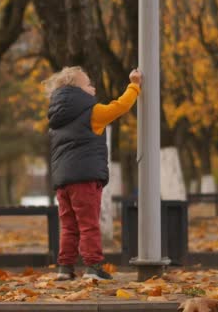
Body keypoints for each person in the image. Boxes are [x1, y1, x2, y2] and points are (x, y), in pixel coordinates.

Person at [44, 66, 141, 280]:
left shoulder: (56, 120)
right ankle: (93, 266)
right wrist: (134, 85)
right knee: (89, 224)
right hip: (85, 179)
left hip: (62, 182)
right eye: (88, 84)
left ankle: (65, 268)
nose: (93, 87)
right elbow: (120, 106)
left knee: (69, 226)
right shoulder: (93, 113)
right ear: (77, 91)